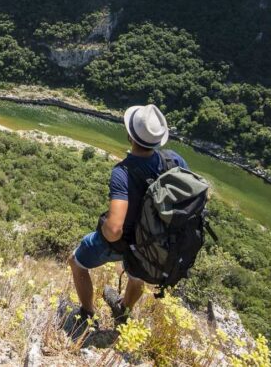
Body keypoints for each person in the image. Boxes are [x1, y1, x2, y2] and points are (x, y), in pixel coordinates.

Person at [67, 104, 188, 327]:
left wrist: (103, 225)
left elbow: (114, 231)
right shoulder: (174, 160)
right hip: (155, 242)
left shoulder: (122, 172)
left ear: (129, 135)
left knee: (77, 262)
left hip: (124, 243)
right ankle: (123, 311)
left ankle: (87, 312)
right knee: (137, 274)